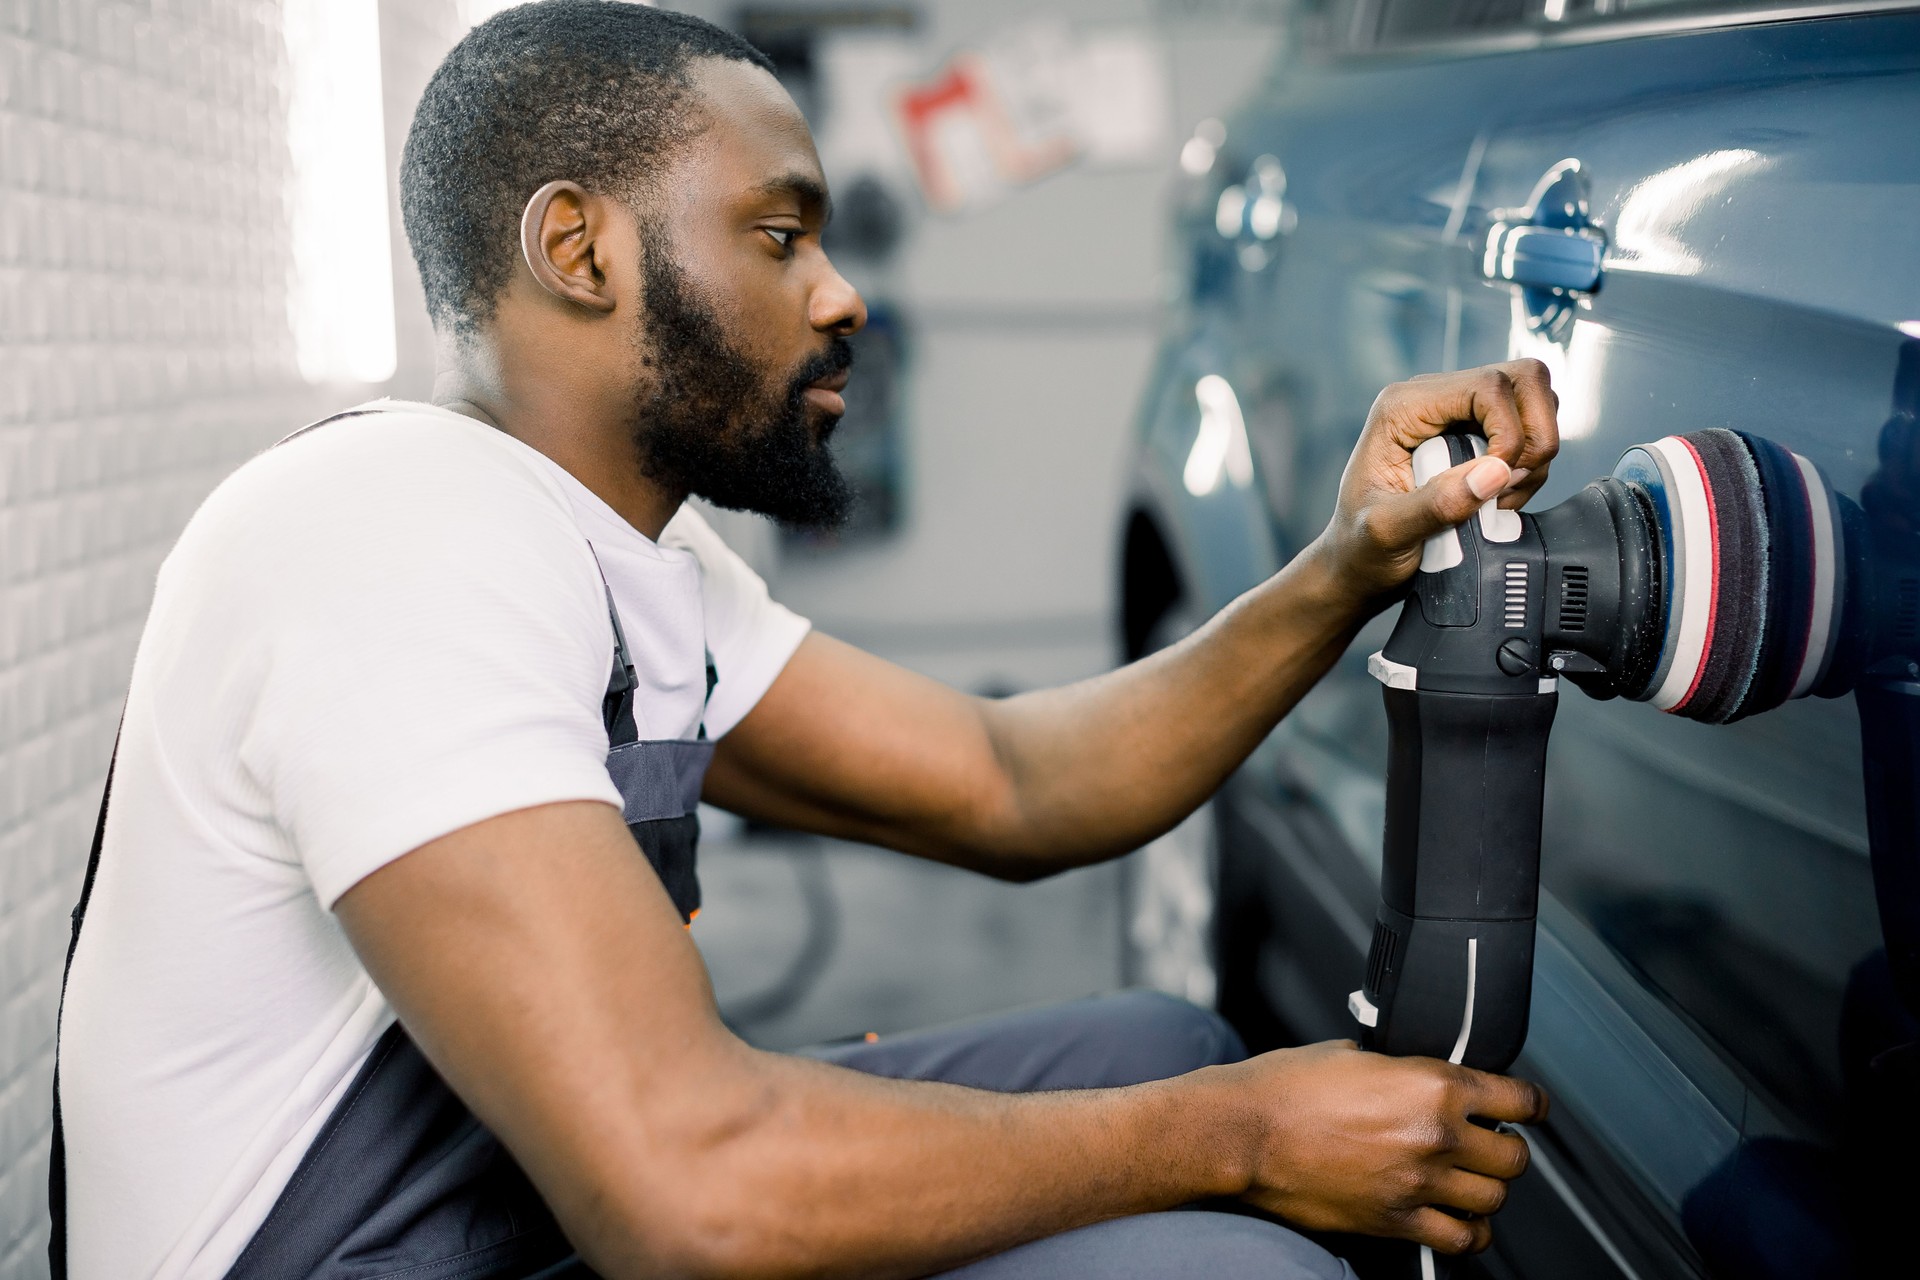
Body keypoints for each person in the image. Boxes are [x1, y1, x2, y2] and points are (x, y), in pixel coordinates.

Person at [50, 4, 1562, 1278]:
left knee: (1163, 1039)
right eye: (777, 236)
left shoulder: (621, 551)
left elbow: (1019, 783)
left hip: (513, 1201)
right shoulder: (391, 532)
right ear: (581, 249)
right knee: (1233, 1255)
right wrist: (1244, 1140)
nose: (841, 296)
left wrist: (1346, 565)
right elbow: (689, 1190)